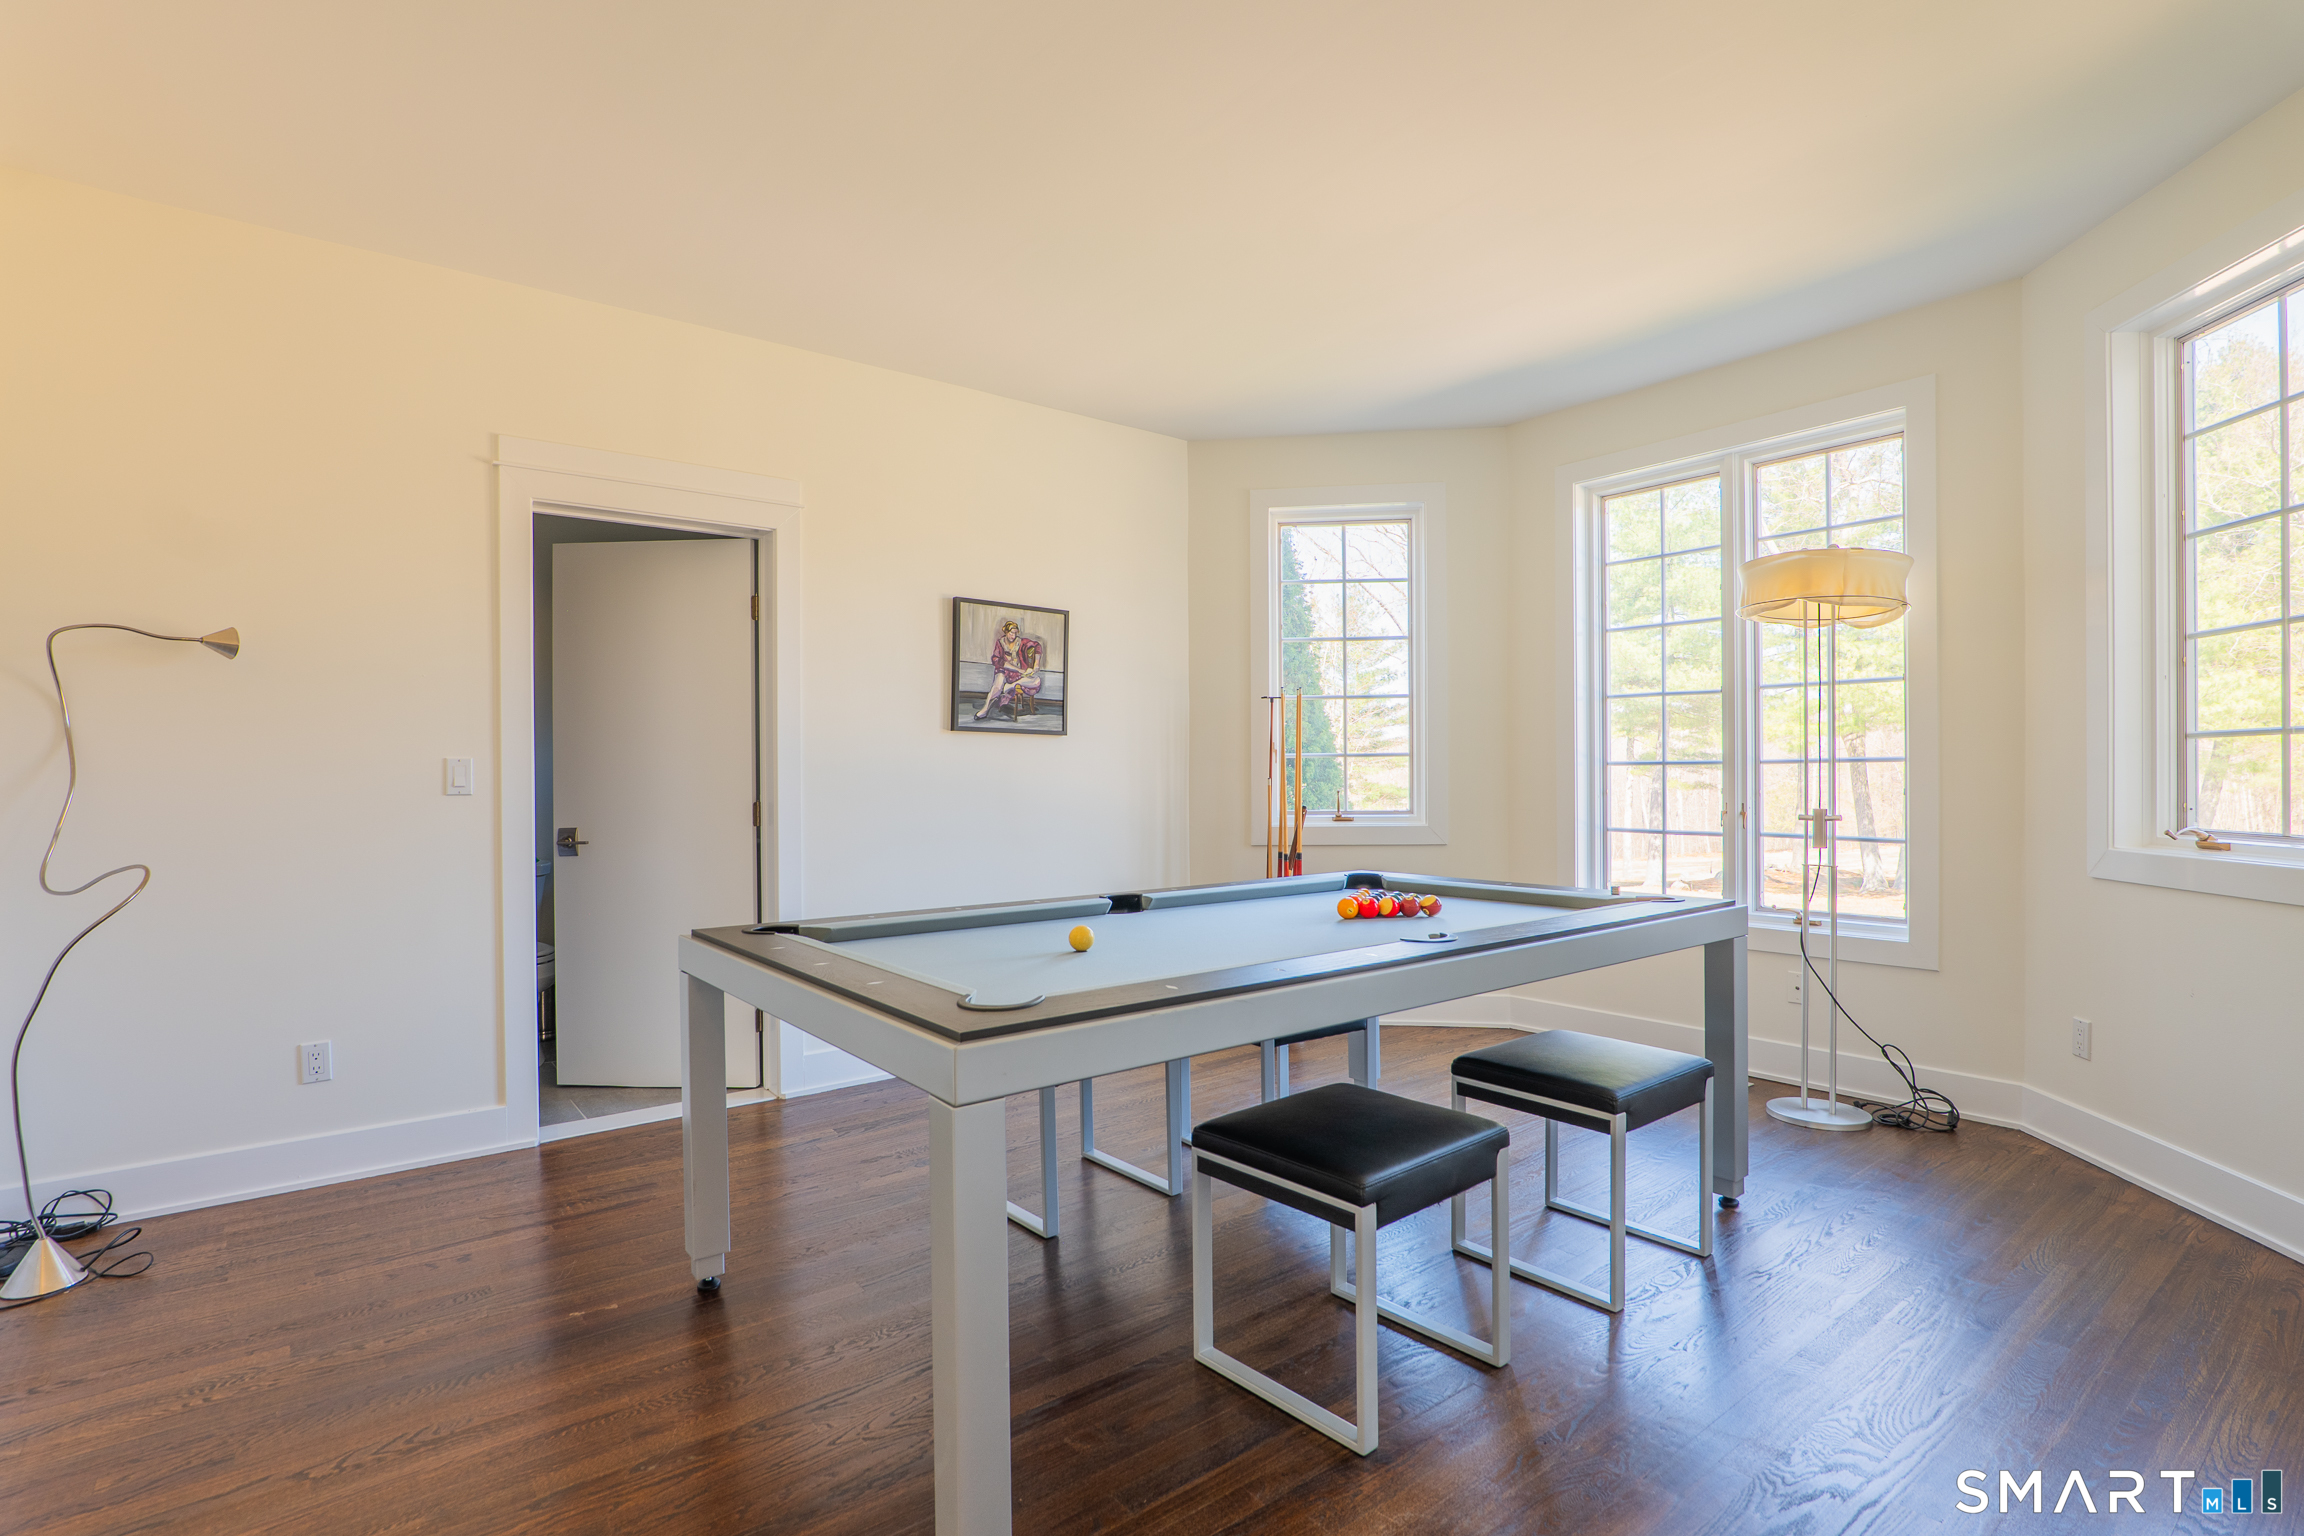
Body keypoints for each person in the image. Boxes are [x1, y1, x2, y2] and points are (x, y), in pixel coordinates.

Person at [974, 618, 1044, 720]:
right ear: (1006, 632)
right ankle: (984, 710)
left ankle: (1011, 686)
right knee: (997, 686)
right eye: (1011, 633)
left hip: (1018, 676)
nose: (1013, 636)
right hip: (1003, 671)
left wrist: (1036, 663)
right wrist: (1017, 669)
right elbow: (996, 660)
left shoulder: (1022, 642)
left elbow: (1037, 646)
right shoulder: (1000, 643)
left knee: (1037, 681)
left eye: (1015, 633)